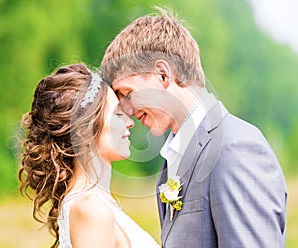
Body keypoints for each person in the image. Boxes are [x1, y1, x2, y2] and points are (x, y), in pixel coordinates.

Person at [100, 8, 288, 248]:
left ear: (163, 75)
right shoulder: (174, 160)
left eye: (127, 93)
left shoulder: (234, 149)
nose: (126, 110)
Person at [18, 63, 160, 248]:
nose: (129, 122)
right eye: (117, 114)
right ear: (84, 130)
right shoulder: (92, 210)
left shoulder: (94, 204)